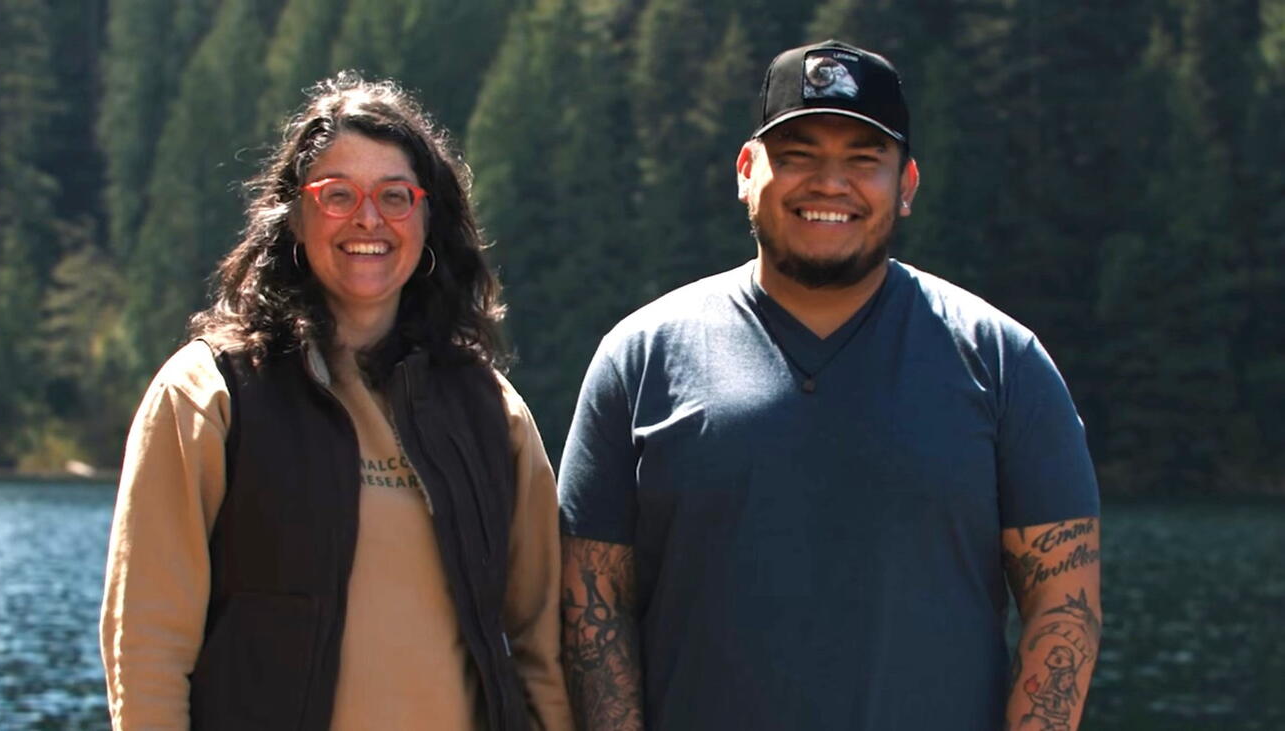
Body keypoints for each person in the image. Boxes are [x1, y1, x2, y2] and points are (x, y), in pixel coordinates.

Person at [557, 40, 1102, 731]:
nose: (828, 183)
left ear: (905, 185)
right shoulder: (638, 358)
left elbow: (1064, 609)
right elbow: (590, 609)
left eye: (862, 159)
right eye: (798, 155)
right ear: (746, 170)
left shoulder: (1004, 361)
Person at [100, 73, 573, 731]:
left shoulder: (494, 413)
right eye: (338, 195)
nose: (368, 219)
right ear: (292, 216)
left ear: (429, 218)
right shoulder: (207, 395)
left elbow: (542, 651)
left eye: (395, 196)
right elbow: (148, 649)